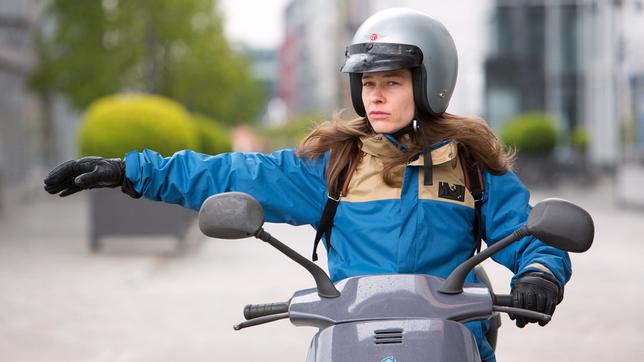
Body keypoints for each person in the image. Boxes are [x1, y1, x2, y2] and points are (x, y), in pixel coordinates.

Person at [44, 8, 570, 362]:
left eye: (392, 82)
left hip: (451, 343)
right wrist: (131, 171)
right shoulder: (334, 166)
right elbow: (235, 173)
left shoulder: (473, 167)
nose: (376, 96)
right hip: (353, 340)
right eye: (368, 83)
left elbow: (528, 231)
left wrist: (542, 272)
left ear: (430, 83)